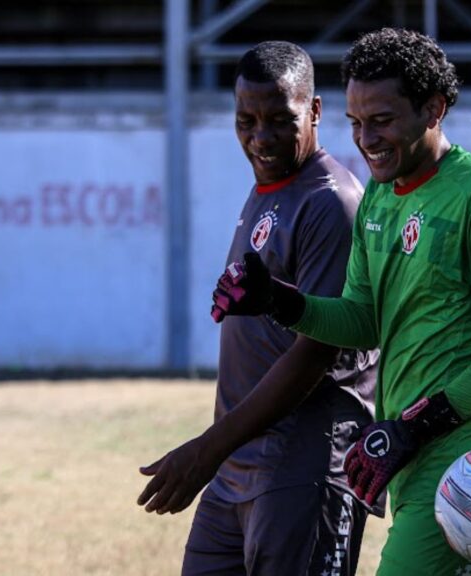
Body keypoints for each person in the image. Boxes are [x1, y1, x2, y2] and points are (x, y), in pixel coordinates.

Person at [211, 29, 471, 575]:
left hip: (467, 463)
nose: (366, 138)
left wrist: (415, 425)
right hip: (409, 461)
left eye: (382, 120)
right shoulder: (379, 194)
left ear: (433, 109)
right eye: (355, 122)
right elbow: (363, 318)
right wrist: (278, 301)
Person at [136, 41, 380, 576]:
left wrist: (205, 450)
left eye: (279, 119)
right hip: (239, 463)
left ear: (315, 111)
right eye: (246, 119)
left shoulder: (331, 201)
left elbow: (315, 355)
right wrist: (220, 453)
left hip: (307, 459)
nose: (260, 136)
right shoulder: (270, 188)